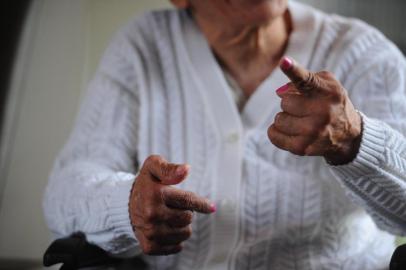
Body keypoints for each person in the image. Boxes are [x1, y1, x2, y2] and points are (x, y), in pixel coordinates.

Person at [43, 0, 406, 269]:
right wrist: (127, 205)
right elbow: (65, 190)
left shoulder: (363, 54)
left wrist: (356, 140)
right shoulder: (144, 45)